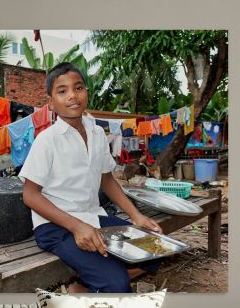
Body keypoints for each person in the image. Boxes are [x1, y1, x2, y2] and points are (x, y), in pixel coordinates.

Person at [19, 62, 162, 293]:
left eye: (78, 88)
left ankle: (84, 286)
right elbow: (30, 195)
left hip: (93, 217)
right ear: (51, 102)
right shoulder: (47, 140)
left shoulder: (97, 133)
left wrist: (136, 216)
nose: (72, 96)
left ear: (86, 91)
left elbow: (107, 180)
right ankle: (106, 284)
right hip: (56, 227)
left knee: (154, 247)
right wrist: (76, 227)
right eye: (62, 91)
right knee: (117, 284)